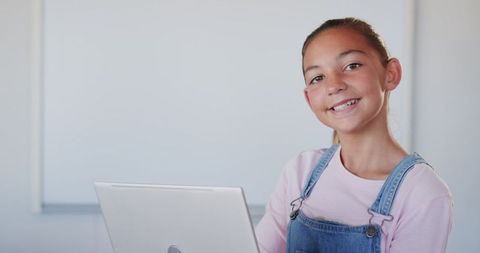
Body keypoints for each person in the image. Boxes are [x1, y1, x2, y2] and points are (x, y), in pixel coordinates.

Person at [255, 17, 453, 253]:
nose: (334, 85)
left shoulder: (422, 193)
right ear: (309, 98)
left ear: (391, 74)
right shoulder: (299, 171)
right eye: (318, 78)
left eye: (352, 66)